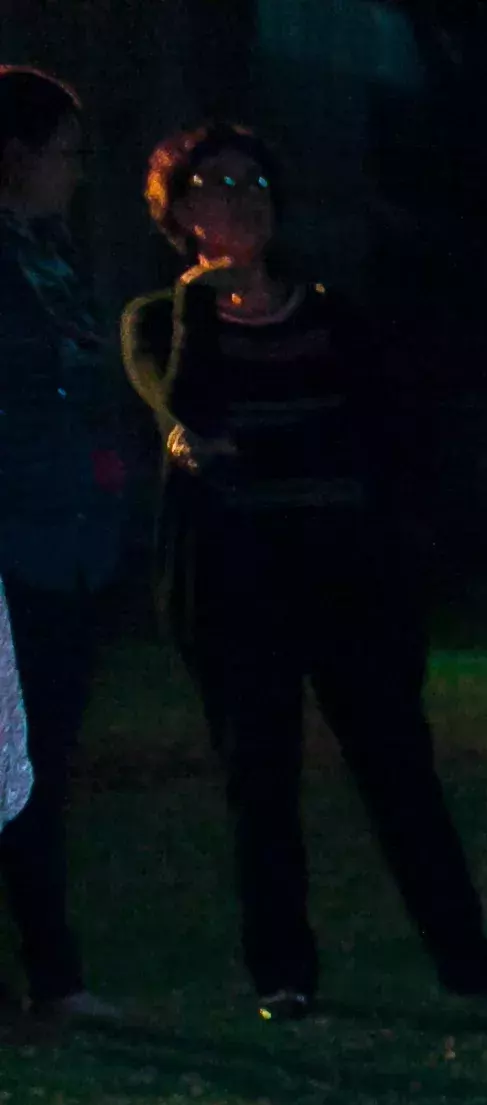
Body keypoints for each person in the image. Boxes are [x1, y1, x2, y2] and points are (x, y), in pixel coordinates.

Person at [121, 124, 487, 1022]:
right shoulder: (159, 321)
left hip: (350, 583)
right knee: (260, 777)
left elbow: (391, 443)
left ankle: (468, 958)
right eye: (218, 184)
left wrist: (404, 565)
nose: (242, 198)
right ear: (181, 211)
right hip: (236, 588)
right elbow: (192, 410)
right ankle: (283, 973)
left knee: (400, 769)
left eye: (256, 181)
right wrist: (203, 301)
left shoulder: (329, 315)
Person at [0, 67, 125, 1023]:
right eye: (67, 152)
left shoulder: (54, 255)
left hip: (69, 541)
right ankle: (52, 972)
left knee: (45, 757)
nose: (78, 172)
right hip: (19, 542)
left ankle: (55, 971)